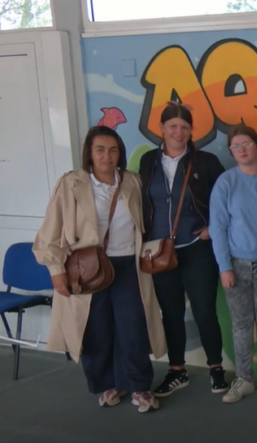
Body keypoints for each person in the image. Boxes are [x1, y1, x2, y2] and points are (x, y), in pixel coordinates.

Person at [33, 126, 166, 413]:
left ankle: (140, 386)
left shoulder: (131, 181)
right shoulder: (71, 184)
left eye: (113, 150)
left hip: (128, 266)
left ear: (120, 153)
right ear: (90, 153)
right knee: (95, 329)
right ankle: (107, 384)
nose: (107, 156)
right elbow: (50, 231)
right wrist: (56, 270)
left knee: (133, 328)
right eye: (100, 150)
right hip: (87, 268)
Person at [139, 101, 228, 397]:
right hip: (159, 251)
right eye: (173, 126)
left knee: (204, 310)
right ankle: (177, 370)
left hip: (196, 248)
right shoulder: (148, 161)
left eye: (185, 127)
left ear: (192, 131)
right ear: (162, 128)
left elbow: (226, 199)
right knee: (171, 312)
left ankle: (216, 369)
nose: (179, 132)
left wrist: (213, 228)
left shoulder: (206, 161)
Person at [209, 124, 257, 404]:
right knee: (240, 324)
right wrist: (224, 267)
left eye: (247, 144)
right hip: (236, 265)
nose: (242, 150)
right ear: (230, 151)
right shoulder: (225, 182)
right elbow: (217, 227)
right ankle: (244, 378)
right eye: (235, 146)